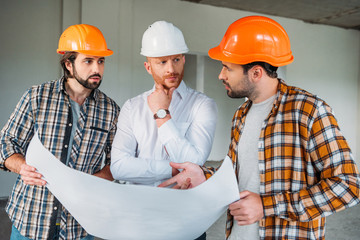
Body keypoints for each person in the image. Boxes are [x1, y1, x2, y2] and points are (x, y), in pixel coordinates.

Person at [159, 16, 360, 240]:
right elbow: (237, 175)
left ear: (256, 73)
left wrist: (267, 206)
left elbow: (348, 186)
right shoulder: (240, 116)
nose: (221, 75)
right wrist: (204, 175)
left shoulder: (309, 111)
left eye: (228, 68)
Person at [0, 24, 120, 240]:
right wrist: (22, 167)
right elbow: (6, 142)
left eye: (101, 61)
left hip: (79, 225)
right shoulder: (36, 97)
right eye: (88, 61)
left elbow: (119, 162)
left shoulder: (110, 110)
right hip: (31, 220)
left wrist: (94, 181)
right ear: (68, 64)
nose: (97, 69)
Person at [110, 21, 217, 240]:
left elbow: (195, 161)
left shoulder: (202, 105)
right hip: (139, 222)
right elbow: (119, 167)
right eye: (162, 62)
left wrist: (161, 113)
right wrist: (175, 170)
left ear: (184, 59)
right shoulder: (133, 107)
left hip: (187, 223)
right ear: (148, 67)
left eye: (176, 59)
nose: (171, 68)